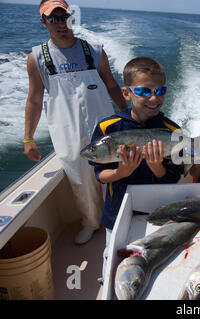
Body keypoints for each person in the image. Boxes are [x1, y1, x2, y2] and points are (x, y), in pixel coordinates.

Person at [24, 0, 128, 245]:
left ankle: (116, 220)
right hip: (66, 129)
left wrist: (127, 116)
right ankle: (90, 223)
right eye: (53, 18)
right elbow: (35, 100)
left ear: (71, 17)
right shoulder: (36, 57)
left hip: (103, 125)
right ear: (44, 22)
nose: (60, 23)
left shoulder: (94, 49)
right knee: (79, 179)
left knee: (113, 172)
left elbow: (111, 85)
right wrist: (28, 138)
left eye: (64, 17)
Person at [89, 57, 184, 279]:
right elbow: (100, 175)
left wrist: (157, 167)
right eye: (144, 91)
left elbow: (173, 178)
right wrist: (121, 173)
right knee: (112, 261)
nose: (154, 98)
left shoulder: (173, 131)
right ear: (126, 93)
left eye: (160, 91)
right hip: (117, 211)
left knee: (155, 261)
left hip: (158, 211)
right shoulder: (107, 128)